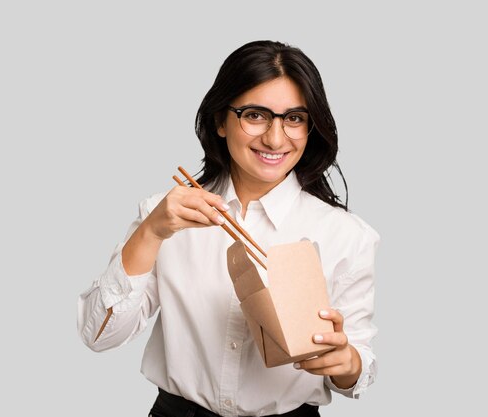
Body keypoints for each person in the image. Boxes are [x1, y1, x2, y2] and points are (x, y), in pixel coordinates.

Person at [77, 40, 380, 417]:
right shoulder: (165, 215)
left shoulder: (347, 235)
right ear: (221, 120)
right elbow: (99, 336)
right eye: (255, 115)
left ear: (310, 127)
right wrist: (150, 231)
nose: (274, 137)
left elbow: (359, 367)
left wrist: (347, 363)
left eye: (294, 118)